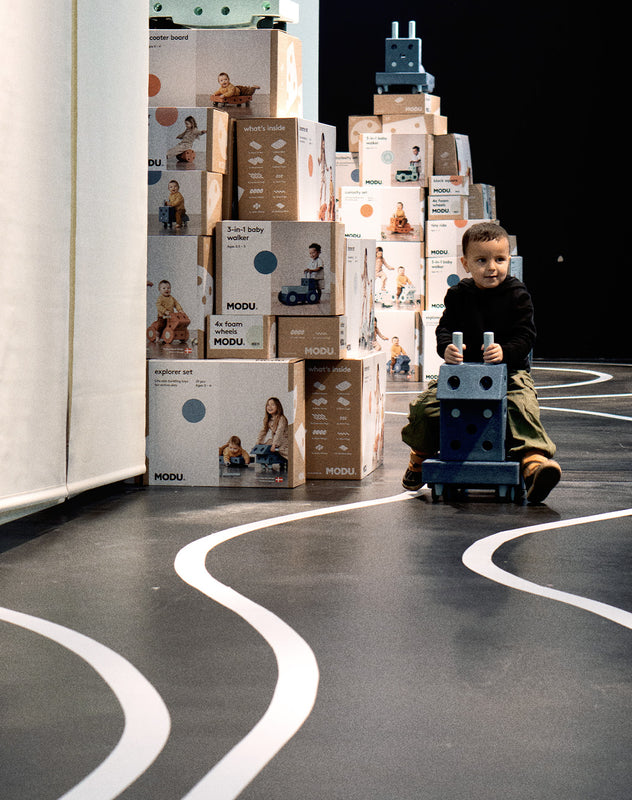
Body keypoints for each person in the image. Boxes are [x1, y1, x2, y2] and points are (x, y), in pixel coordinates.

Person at [400, 221, 561, 503]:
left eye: (500, 259)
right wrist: (447, 348)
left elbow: (526, 335)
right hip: (463, 375)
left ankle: (533, 463)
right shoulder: (458, 294)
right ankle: (420, 457)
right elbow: (444, 328)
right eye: (482, 260)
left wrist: (505, 351)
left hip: (509, 373)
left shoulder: (517, 293)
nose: (492, 267)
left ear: (509, 260)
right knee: (426, 408)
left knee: (521, 405)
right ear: (465, 264)